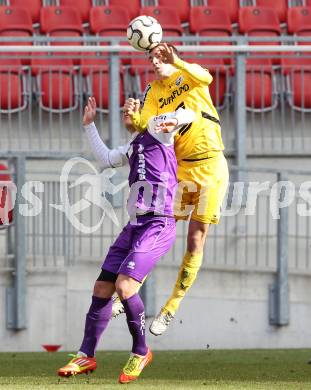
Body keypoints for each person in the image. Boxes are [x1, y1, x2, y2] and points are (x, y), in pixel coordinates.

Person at [57, 97, 195, 383]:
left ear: (146, 111)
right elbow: (106, 159)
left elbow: (191, 113)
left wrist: (176, 118)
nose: (126, 112)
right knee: (102, 286)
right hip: (134, 224)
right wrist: (89, 125)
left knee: (125, 285)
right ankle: (86, 354)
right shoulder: (133, 145)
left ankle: (140, 351)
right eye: (124, 109)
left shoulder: (158, 129)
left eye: (132, 107)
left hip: (158, 222)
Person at [120, 42, 229, 336]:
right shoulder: (153, 91)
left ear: (169, 54)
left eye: (159, 55)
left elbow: (207, 78)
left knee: (196, 239)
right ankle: (132, 284)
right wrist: (132, 120)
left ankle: (171, 308)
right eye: (150, 56)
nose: (155, 61)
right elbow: (146, 128)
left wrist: (177, 60)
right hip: (179, 170)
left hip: (211, 168)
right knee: (160, 228)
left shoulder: (189, 74)